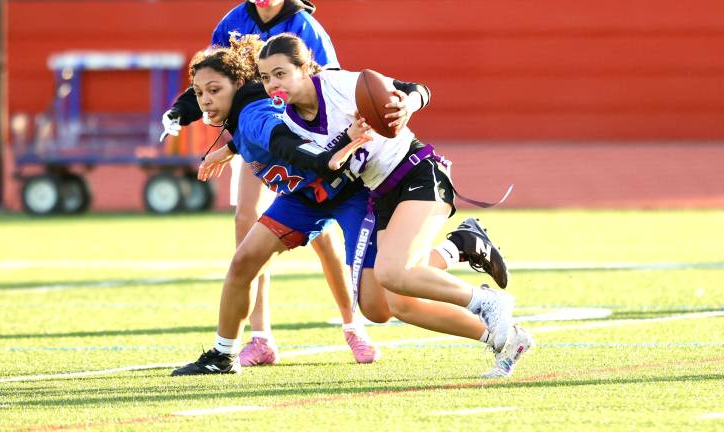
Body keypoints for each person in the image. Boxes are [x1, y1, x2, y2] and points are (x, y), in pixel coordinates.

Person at [170, 35, 530, 379]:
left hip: (389, 180)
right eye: (266, 78)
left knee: (391, 285)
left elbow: (412, 91)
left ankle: (480, 292)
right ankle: (481, 292)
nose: (273, 84)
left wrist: (406, 104)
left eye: (281, 74)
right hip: (343, 193)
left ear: (305, 67)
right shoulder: (283, 109)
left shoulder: (336, 86)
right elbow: (285, 137)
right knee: (380, 304)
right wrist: (232, 148)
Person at [160, 0, 377, 365]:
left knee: (369, 284)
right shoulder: (234, 23)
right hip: (285, 170)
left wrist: (327, 156)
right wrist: (187, 115)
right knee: (246, 239)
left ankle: (353, 323)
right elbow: (214, 76)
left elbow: (310, 106)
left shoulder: (305, 29)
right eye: (200, 95)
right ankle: (248, 341)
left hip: (323, 164)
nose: (205, 101)